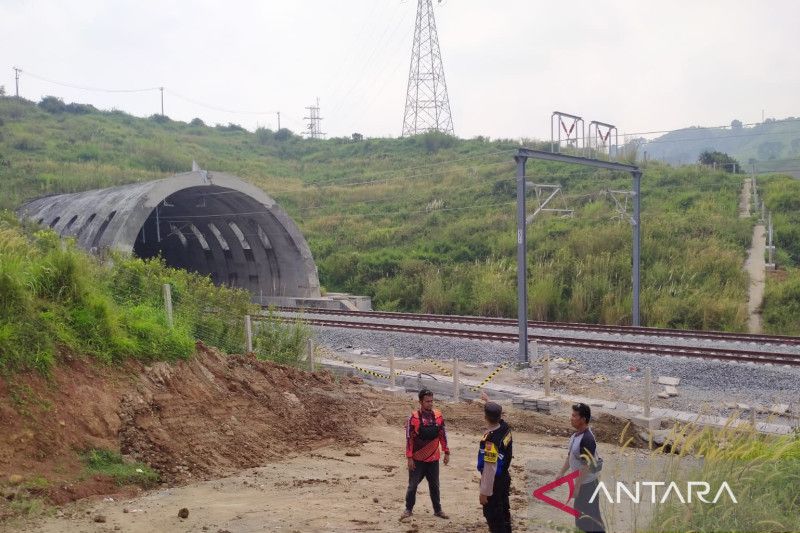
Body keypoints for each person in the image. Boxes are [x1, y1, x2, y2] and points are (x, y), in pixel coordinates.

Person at [401, 389, 450, 521]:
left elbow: (442, 435)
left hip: (434, 458)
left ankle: (438, 510)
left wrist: (446, 452)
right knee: (412, 485)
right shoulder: (414, 417)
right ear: (420, 402)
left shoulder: (438, 416)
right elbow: (409, 438)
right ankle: (408, 509)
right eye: (427, 401)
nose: (430, 404)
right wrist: (409, 457)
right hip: (417, 459)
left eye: (431, 401)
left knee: (435, 485)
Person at [558, 402, 605, 533]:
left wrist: (577, 487)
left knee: (590, 518)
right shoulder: (575, 436)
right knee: (583, 517)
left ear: (583, 419)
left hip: (588, 485)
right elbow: (570, 456)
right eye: (571, 415)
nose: (571, 418)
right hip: (583, 484)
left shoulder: (587, 439)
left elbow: (586, 466)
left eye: (574, 416)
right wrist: (561, 473)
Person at [477, 401, 513, 533]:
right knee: (504, 514)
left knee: (494, 517)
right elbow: (497, 418)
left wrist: (484, 492)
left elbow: (489, 468)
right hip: (504, 478)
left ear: (485, 417)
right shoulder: (505, 429)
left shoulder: (490, 442)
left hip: (494, 483)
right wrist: (488, 402)